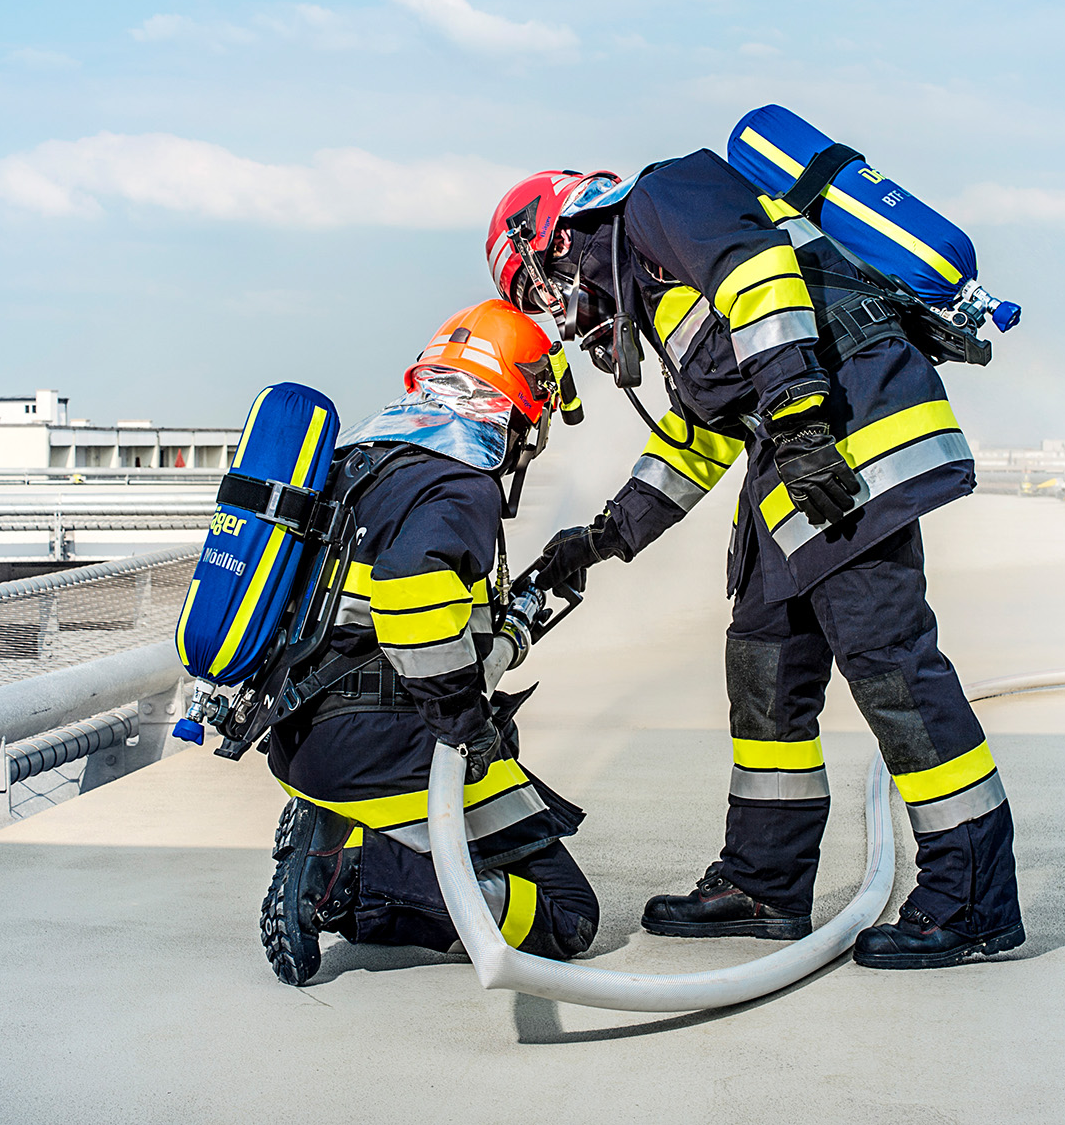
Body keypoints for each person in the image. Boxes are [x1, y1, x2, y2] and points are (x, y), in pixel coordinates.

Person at [484, 160, 1023, 969]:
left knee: (891, 666)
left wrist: (802, 426)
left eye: (540, 292)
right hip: (797, 473)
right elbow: (701, 435)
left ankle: (972, 896)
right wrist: (602, 537)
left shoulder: (662, 198)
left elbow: (763, 277)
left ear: (553, 238)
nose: (557, 315)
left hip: (844, 450)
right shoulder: (655, 285)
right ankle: (764, 883)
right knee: (764, 668)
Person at [261, 299, 599, 985]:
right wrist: (467, 729)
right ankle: (342, 876)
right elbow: (412, 598)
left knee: (496, 775)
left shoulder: (361, 459)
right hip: (384, 745)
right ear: (514, 406)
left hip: (303, 731)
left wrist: (514, 615)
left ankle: (333, 830)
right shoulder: (458, 481)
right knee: (568, 915)